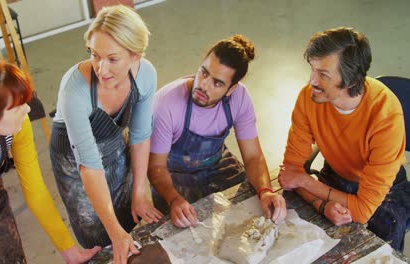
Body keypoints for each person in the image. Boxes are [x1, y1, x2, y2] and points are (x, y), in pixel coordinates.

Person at [0, 59, 100, 264]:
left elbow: (36, 192)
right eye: (18, 107)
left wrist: (71, 254)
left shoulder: (17, 127)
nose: (27, 110)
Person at [278, 27, 409, 251]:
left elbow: (362, 210)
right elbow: (289, 174)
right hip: (337, 171)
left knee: (381, 239)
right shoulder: (308, 98)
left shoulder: (386, 115)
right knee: (303, 231)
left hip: (385, 185)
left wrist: (307, 182)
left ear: (350, 81)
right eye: (312, 69)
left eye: (323, 75)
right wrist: (323, 206)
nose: (311, 81)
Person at [49, 5, 162, 263]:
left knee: (129, 213)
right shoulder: (75, 90)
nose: (101, 69)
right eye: (94, 55)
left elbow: (141, 135)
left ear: (136, 56)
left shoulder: (146, 76)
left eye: (112, 59)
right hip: (74, 157)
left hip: (112, 142)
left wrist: (139, 193)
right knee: (98, 232)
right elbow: (89, 166)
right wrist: (114, 234)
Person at [148, 35, 287, 228]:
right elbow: (155, 167)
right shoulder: (166, 104)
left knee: (250, 219)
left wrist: (266, 191)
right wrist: (173, 200)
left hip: (217, 164)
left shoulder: (240, 98)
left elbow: (253, 156)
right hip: (173, 175)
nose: (203, 85)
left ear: (231, 89)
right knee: (185, 233)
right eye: (203, 73)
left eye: (217, 83)